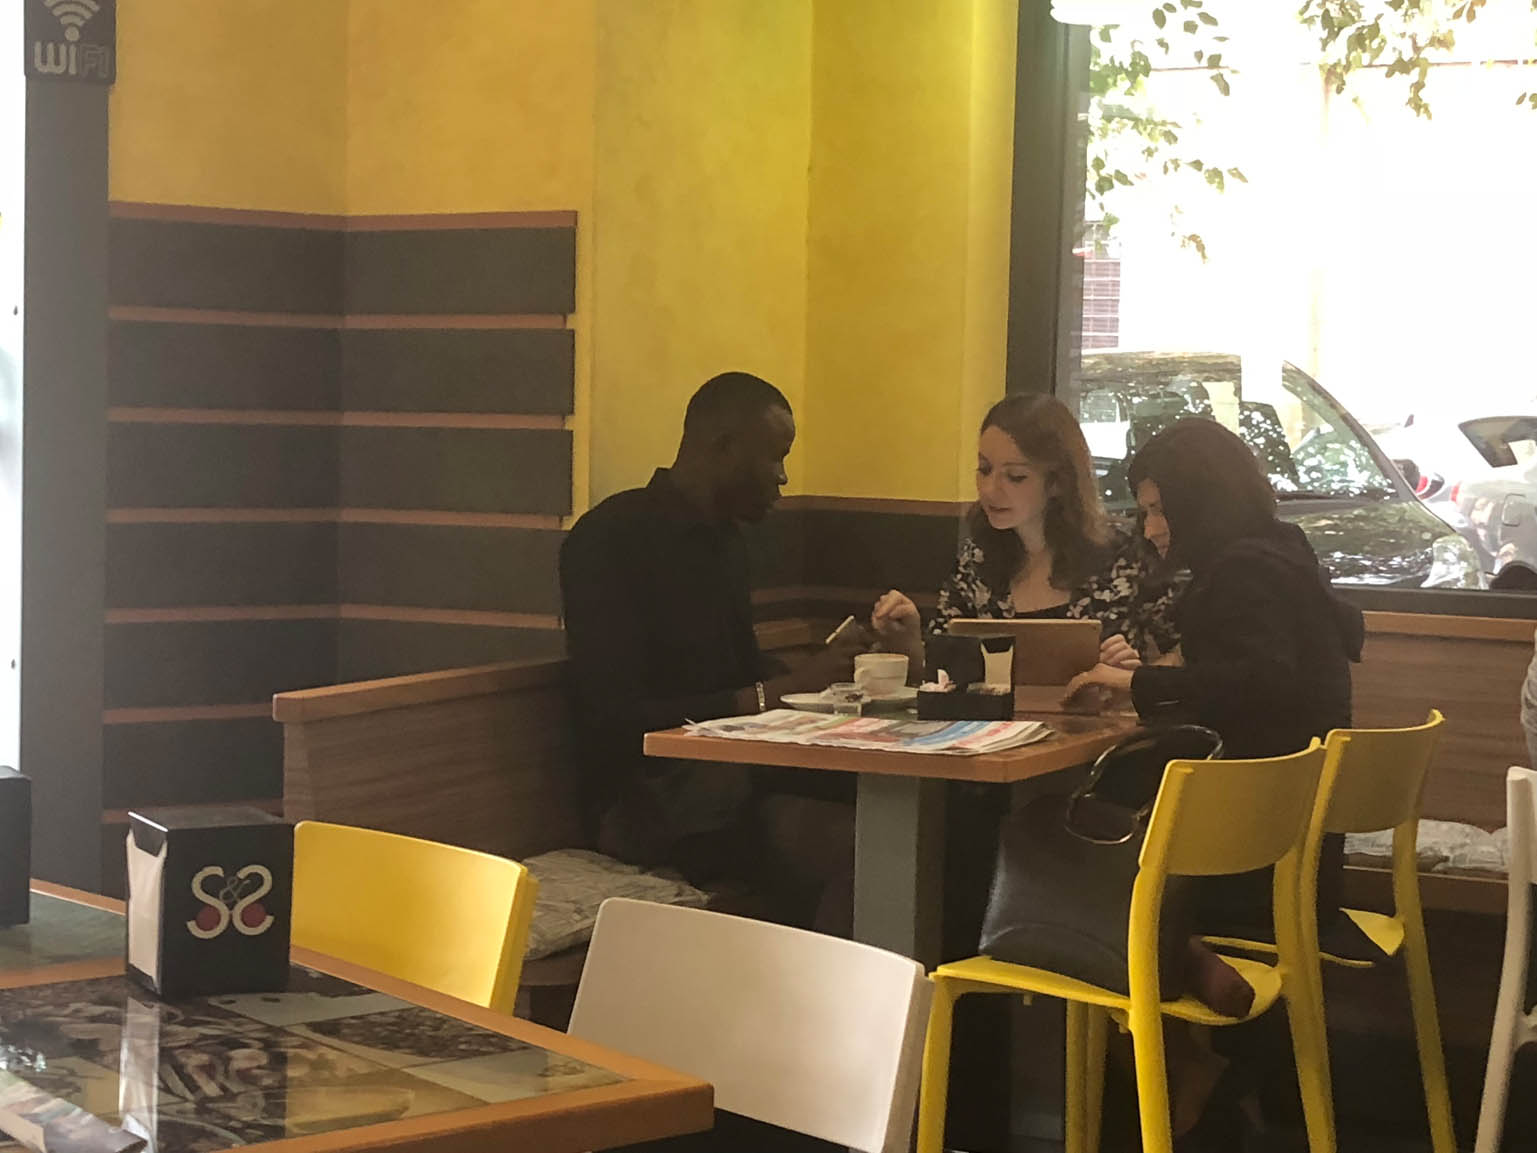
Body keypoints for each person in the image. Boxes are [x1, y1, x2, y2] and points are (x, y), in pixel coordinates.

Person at [1065, 417, 1366, 1146]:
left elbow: (1260, 685)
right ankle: (1190, 1000)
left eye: (1158, 509)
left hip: (1248, 867)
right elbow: (1262, 684)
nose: (1151, 529)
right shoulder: (1283, 556)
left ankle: (1180, 1039)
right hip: (1299, 852)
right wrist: (1162, 675)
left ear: (1199, 502)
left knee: (1073, 854)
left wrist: (1136, 682)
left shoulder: (1241, 572)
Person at [559, 371, 864, 929]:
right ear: (724, 448)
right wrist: (778, 692)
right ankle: (820, 984)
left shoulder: (725, 541)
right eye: (775, 457)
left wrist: (822, 676)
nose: (783, 477)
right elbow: (614, 716)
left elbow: (737, 672)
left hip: (731, 777)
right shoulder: (608, 540)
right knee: (858, 848)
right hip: (645, 800)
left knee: (896, 816)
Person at [870, 393, 1178, 671]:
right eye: (984, 469)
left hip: (1103, 716)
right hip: (995, 717)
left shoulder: (1126, 553)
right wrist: (909, 640)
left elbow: (1184, 654)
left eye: (1015, 477)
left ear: (1058, 482)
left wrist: (1136, 677)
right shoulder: (977, 558)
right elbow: (943, 673)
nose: (990, 490)